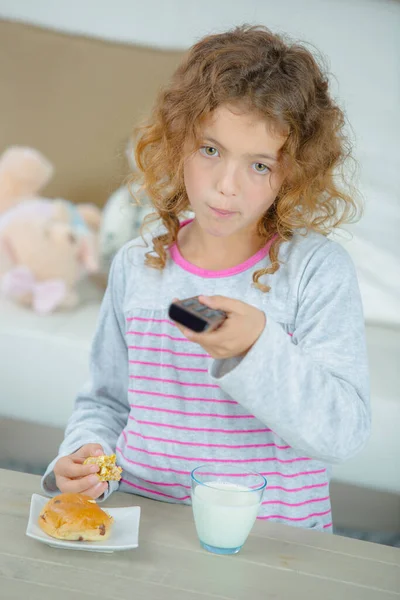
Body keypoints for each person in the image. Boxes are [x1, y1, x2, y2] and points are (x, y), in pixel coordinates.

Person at [42, 25, 370, 531]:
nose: (225, 187)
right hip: (143, 528)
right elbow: (106, 400)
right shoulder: (137, 264)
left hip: (272, 543)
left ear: (294, 174)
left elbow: (342, 434)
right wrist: (87, 453)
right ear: (177, 141)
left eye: (260, 165)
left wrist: (257, 349)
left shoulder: (315, 273)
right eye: (211, 150)